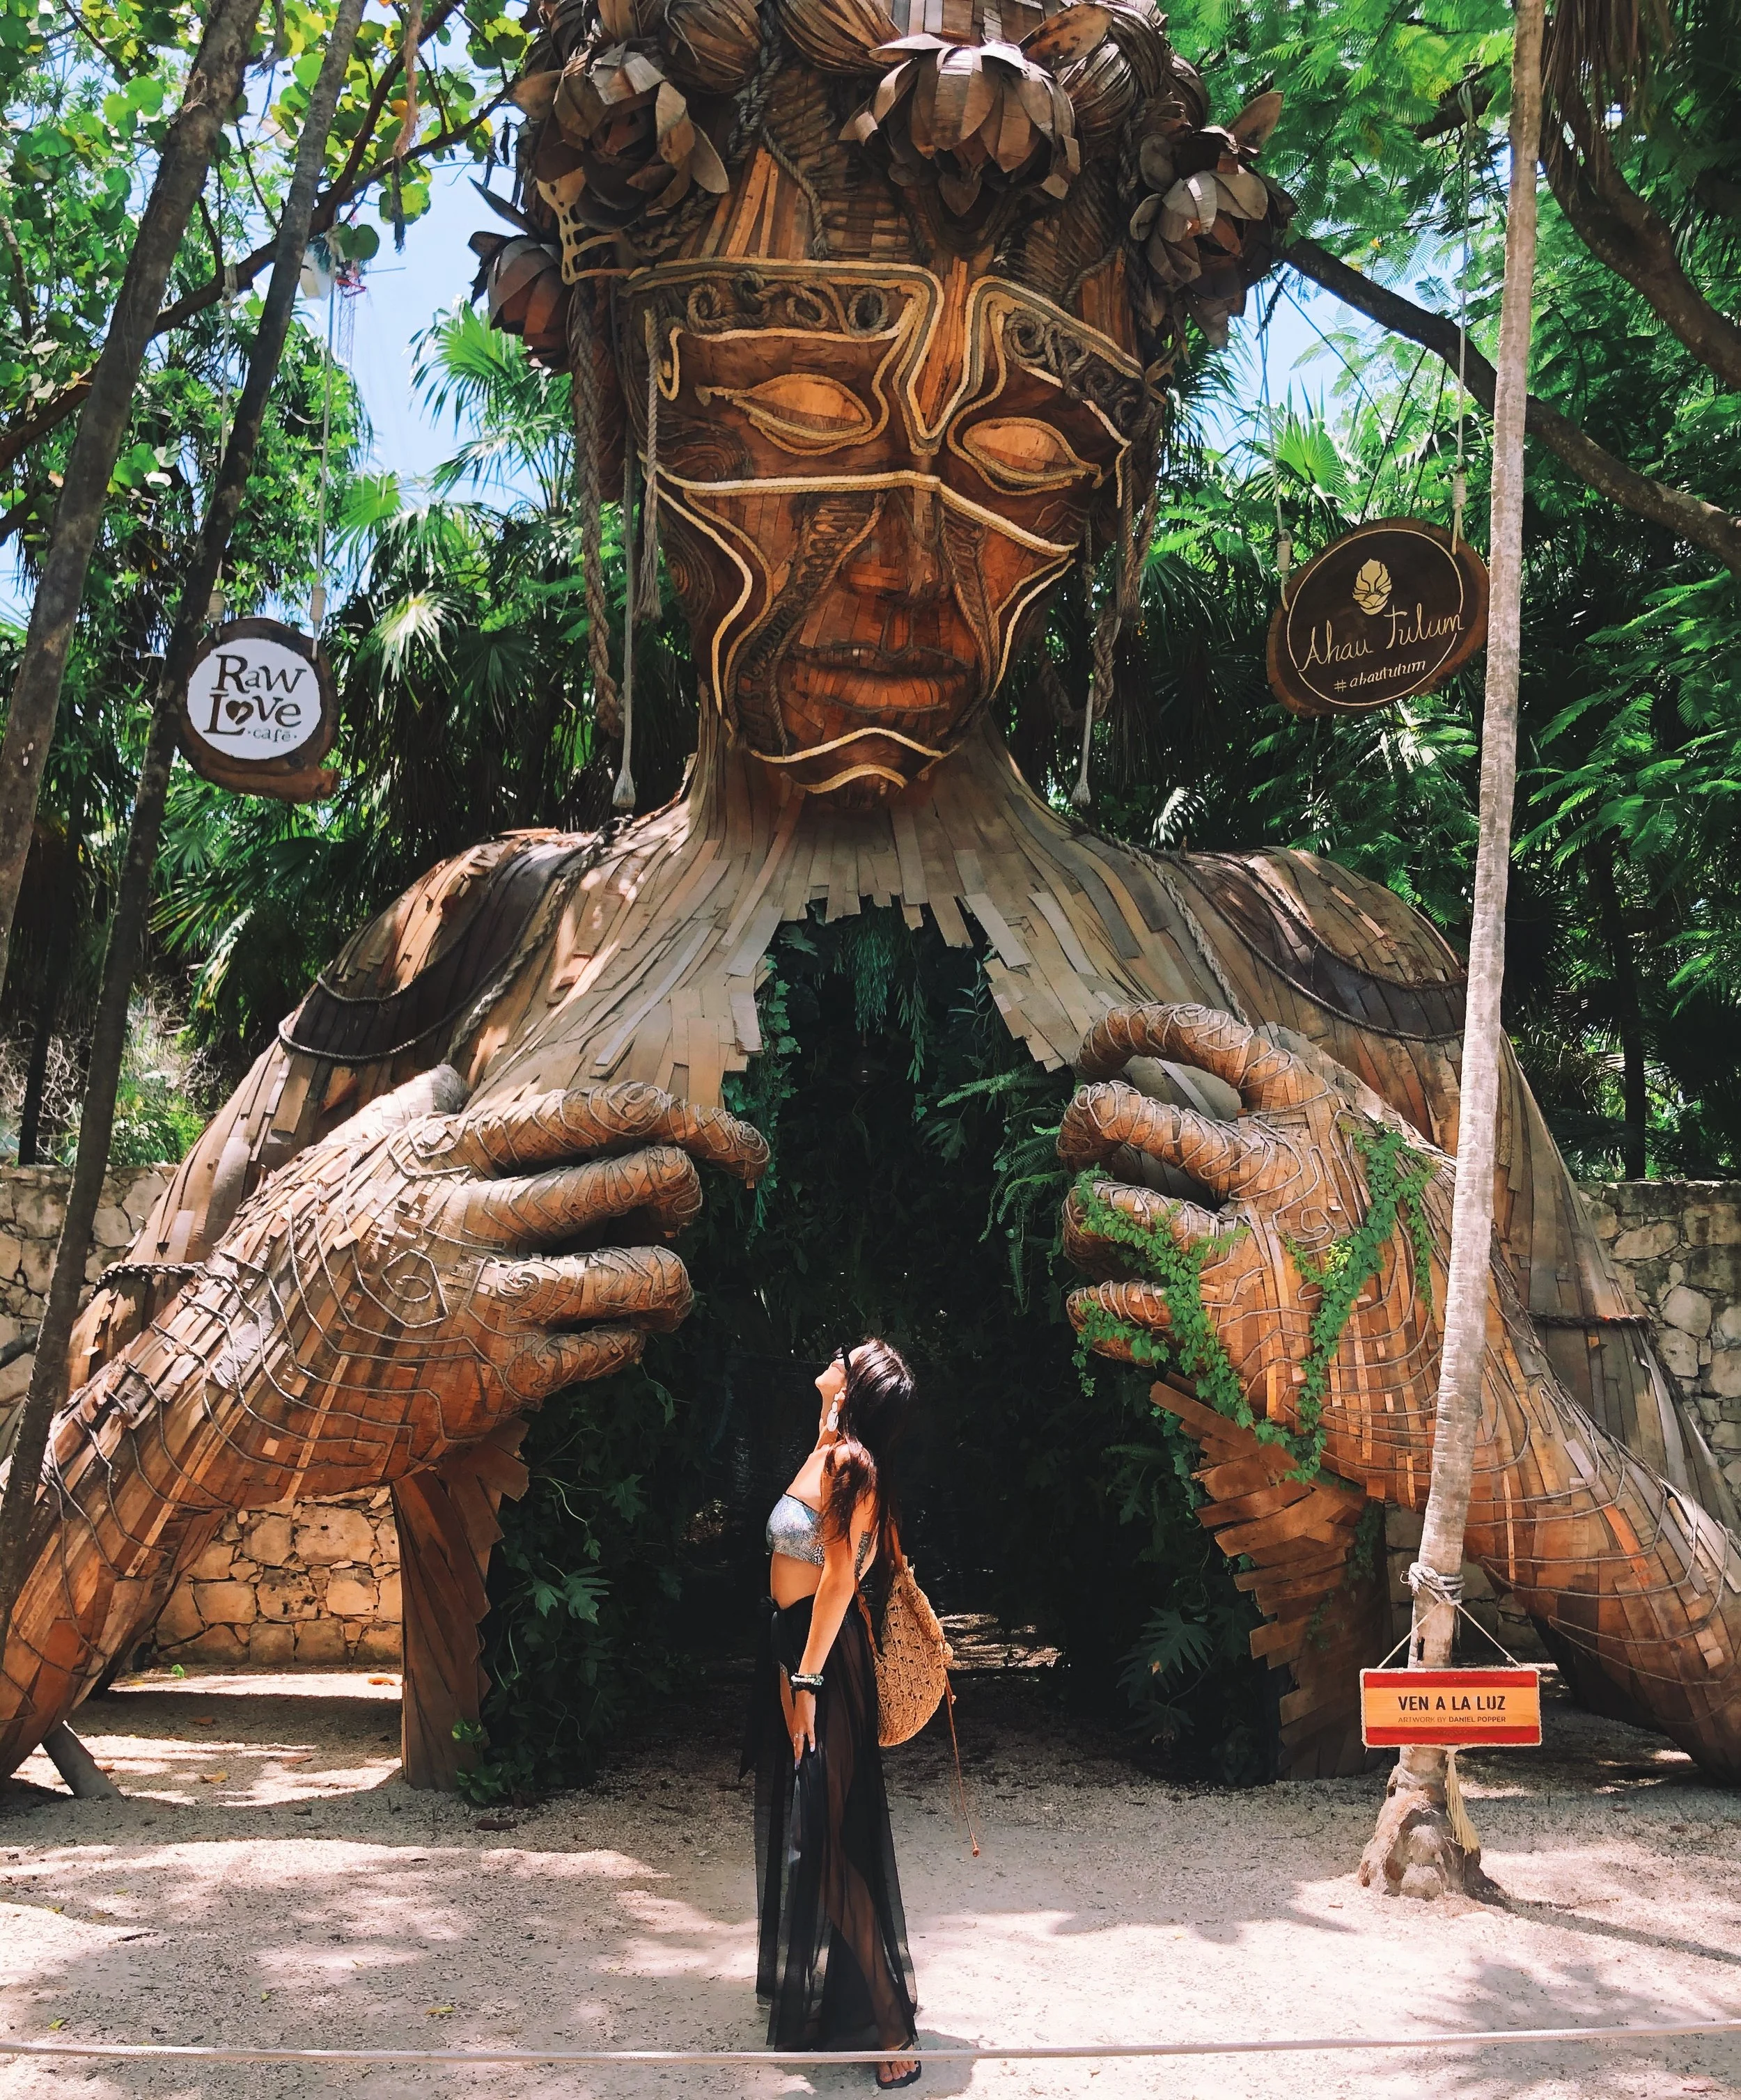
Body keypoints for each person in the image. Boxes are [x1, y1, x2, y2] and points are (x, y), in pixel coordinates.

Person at [748, 1340, 920, 2088]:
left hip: (828, 1660)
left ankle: (890, 2027)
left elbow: (839, 1582)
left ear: (861, 1390)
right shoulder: (829, 1445)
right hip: (797, 1651)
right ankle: (849, 2007)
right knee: (814, 1833)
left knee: (821, 1843)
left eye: (844, 1360)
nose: (832, 1355)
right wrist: (791, 1672)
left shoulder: (856, 1469)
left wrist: (808, 1681)